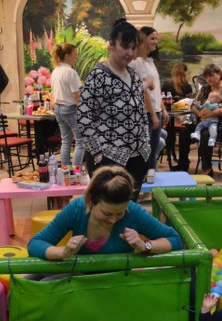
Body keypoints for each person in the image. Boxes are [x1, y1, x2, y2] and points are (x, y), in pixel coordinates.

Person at [27, 165, 181, 259]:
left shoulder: (133, 212)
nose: (113, 220)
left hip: (117, 283)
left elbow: (175, 239)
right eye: (107, 214)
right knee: (33, 279)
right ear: (91, 201)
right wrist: (64, 253)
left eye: (119, 213)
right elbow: (35, 244)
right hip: (79, 280)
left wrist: (144, 245)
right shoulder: (77, 209)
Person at [78, 18, 150, 200]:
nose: (130, 53)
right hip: (109, 159)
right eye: (125, 46)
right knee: (108, 209)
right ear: (111, 45)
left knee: (130, 207)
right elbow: (84, 117)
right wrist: (97, 153)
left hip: (138, 156)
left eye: (133, 48)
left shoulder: (134, 75)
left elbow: (141, 112)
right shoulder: (98, 76)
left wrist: (146, 144)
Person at [176, 64, 222, 176]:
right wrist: (199, 114)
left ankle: (207, 168)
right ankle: (182, 165)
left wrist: (212, 113)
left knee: (205, 134)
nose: (209, 79)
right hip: (202, 120)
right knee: (184, 133)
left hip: (218, 123)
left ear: (219, 74)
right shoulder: (205, 89)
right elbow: (193, 105)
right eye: (206, 77)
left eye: (211, 76)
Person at [132, 26, 169, 180]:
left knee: (154, 148)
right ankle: (143, 177)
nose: (155, 42)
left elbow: (156, 89)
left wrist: (163, 109)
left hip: (156, 110)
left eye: (156, 39)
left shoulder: (149, 61)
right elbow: (144, 91)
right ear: (143, 40)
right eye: (152, 38)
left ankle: (151, 177)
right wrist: (153, 115)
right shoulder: (138, 62)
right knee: (147, 149)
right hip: (147, 112)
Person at [51, 42, 85, 167]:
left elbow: (53, 93)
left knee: (65, 141)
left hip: (58, 109)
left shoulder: (56, 71)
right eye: (74, 54)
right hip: (70, 109)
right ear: (67, 56)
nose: (76, 57)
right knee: (81, 142)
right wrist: (83, 109)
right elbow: (76, 95)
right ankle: (75, 173)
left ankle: (65, 170)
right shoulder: (71, 72)